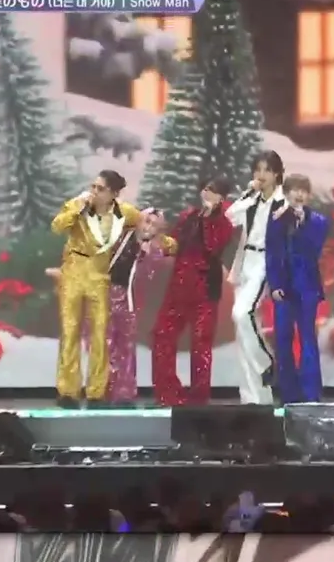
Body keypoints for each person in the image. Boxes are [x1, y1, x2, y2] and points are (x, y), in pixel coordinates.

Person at [49, 170, 143, 408]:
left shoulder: (125, 212)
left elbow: (144, 224)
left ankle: (96, 393)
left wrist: (164, 244)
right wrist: (78, 209)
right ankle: (68, 391)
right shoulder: (78, 203)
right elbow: (57, 226)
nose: (94, 191)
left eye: (100, 189)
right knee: (70, 331)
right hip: (73, 272)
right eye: (93, 186)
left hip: (100, 276)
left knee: (99, 335)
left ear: (113, 193)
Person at [150, 177, 233, 406]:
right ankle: (168, 393)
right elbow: (175, 243)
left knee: (201, 344)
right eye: (205, 188)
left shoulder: (224, 222)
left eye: (213, 190)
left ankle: (198, 398)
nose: (206, 193)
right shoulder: (189, 216)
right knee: (162, 335)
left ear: (222, 198)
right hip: (178, 286)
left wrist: (209, 217)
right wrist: (161, 241)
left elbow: (213, 246)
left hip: (204, 289)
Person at [227, 151, 287, 405]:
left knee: (242, 314)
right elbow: (230, 216)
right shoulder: (252, 200)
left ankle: (266, 362)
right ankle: (254, 398)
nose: (261, 175)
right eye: (258, 170)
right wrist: (249, 192)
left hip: (265, 262)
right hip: (245, 262)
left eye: (267, 170)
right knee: (243, 334)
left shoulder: (282, 202)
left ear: (277, 173)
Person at [266, 174, 330, 404]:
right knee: (283, 339)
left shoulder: (319, 221)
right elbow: (272, 254)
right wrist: (275, 284)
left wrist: (303, 223)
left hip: (307, 287)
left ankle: (311, 393)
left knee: (307, 338)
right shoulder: (276, 220)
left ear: (309, 195)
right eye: (294, 190)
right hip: (283, 288)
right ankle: (288, 393)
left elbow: (314, 249)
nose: (299, 194)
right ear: (286, 193)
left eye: (303, 190)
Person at [105, 208, 177, 407]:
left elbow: (149, 276)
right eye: (146, 221)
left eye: (154, 225)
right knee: (107, 344)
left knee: (126, 347)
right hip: (108, 294)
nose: (148, 227)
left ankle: (124, 394)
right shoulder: (123, 236)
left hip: (131, 301)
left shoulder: (155, 249)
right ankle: (104, 392)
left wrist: (149, 254)